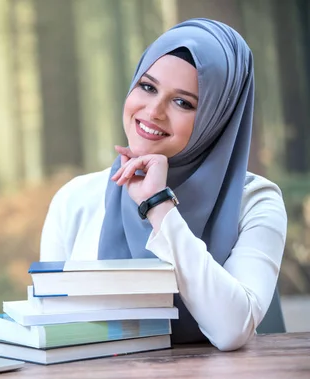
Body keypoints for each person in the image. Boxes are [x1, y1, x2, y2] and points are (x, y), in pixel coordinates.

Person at [39, 18, 288, 351]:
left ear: (217, 118)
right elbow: (51, 331)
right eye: (147, 87)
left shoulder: (256, 200)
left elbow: (231, 330)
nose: (153, 111)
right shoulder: (75, 199)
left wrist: (159, 206)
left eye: (183, 102)